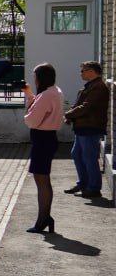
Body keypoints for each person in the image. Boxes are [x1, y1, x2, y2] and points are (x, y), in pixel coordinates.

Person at [23, 63, 64, 233]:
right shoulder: (55, 91)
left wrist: (27, 114)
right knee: (43, 179)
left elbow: (32, 120)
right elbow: (40, 107)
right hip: (48, 138)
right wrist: (30, 95)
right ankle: (45, 217)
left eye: (35, 75)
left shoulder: (47, 95)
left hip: (42, 138)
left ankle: (43, 219)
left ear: (41, 77)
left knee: (42, 181)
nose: (34, 78)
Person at [63, 60, 109, 200]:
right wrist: (70, 116)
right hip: (82, 127)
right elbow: (78, 105)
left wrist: (68, 114)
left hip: (90, 127)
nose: (81, 73)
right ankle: (84, 183)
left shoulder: (98, 87)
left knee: (89, 158)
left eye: (83, 70)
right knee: (77, 154)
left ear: (92, 71)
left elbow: (86, 107)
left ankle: (94, 188)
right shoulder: (90, 86)